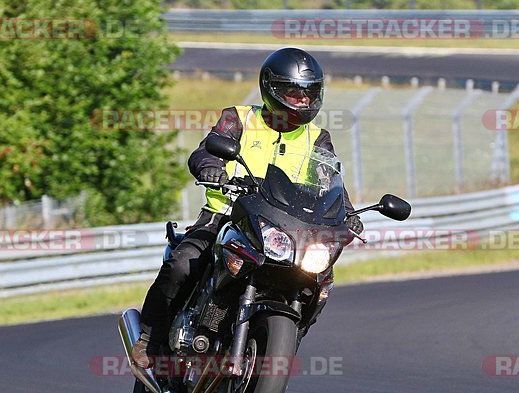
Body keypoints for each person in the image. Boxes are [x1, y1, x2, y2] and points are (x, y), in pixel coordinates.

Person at [131, 47, 361, 367]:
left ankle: (286, 338)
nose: (303, 102)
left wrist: (346, 212)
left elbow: (329, 178)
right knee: (184, 261)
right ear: (271, 88)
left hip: (284, 227)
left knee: (320, 279)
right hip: (226, 216)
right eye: (294, 94)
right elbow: (205, 152)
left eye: (309, 95)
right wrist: (211, 167)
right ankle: (150, 338)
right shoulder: (240, 118)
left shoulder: (317, 138)